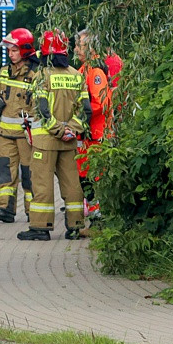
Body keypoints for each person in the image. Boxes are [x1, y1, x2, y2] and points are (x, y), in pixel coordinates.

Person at [18, 31, 91, 241]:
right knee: (72, 184)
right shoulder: (77, 76)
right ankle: (75, 226)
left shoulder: (41, 76)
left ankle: (40, 227)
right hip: (69, 143)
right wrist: (72, 130)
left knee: (42, 183)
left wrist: (59, 130)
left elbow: (42, 110)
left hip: (45, 142)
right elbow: (85, 110)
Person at [0, 28, 38, 223]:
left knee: (29, 174)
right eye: (9, 50)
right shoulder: (3, 72)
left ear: (24, 50)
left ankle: (34, 211)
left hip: (26, 135)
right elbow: (0, 99)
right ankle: (5, 209)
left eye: (14, 50)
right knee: (5, 171)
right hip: (5, 133)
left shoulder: (35, 75)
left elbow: (39, 107)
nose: (10, 53)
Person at [73, 29, 113, 220]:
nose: (75, 49)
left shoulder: (95, 71)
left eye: (78, 46)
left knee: (94, 177)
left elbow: (100, 103)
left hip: (96, 135)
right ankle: (96, 213)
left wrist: (78, 116)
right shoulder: (84, 69)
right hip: (86, 135)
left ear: (89, 47)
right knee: (85, 177)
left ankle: (99, 215)